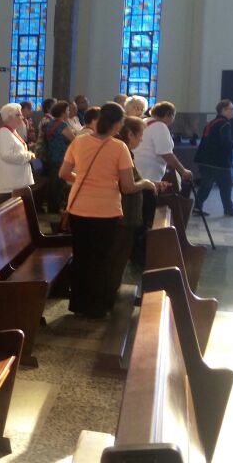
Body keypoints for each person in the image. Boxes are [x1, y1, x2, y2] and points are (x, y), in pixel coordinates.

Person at [58, 102, 156, 319]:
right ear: (118, 124)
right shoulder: (119, 147)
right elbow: (127, 186)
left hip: (78, 208)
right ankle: (96, 307)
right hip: (106, 211)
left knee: (81, 256)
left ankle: (78, 304)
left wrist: (83, 179)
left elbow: (63, 173)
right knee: (102, 259)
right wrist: (146, 183)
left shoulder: (79, 141)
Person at [131, 101, 194, 256]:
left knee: (142, 212)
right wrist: (183, 171)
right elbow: (166, 153)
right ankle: (143, 252)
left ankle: (139, 249)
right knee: (147, 213)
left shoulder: (145, 121)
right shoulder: (160, 126)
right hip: (149, 176)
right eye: (173, 116)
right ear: (168, 115)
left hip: (140, 172)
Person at [118, 116, 169, 269]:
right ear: (130, 134)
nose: (141, 140)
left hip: (128, 209)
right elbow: (127, 185)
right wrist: (146, 184)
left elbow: (134, 178)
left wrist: (153, 183)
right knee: (126, 245)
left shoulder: (125, 151)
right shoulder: (122, 151)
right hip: (125, 210)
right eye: (140, 136)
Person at [194, 99, 233, 217]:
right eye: (231, 109)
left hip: (205, 159)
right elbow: (225, 142)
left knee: (206, 185)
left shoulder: (211, 123)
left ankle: (197, 207)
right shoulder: (224, 124)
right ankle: (228, 209)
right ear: (223, 110)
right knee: (226, 184)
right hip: (219, 161)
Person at [0, 102, 36, 200]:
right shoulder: (3, 132)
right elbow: (7, 155)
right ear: (9, 117)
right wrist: (28, 156)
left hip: (17, 183)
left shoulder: (11, 131)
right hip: (10, 185)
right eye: (18, 115)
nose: (22, 117)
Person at [43, 100, 75, 213]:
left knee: (53, 182)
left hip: (52, 155)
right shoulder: (62, 125)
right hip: (60, 157)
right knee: (58, 184)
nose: (69, 112)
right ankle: (55, 208)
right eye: (67, 110)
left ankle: (52, 206)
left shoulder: (51, 123)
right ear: (62, 112)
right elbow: (74, 140)